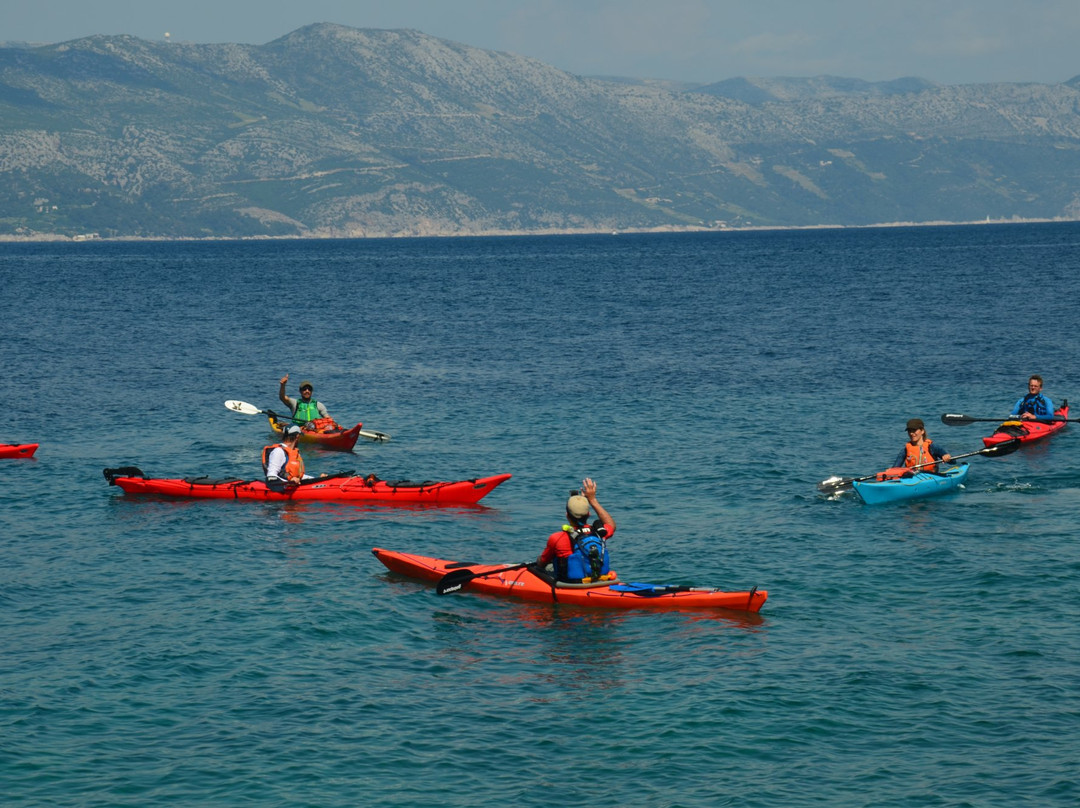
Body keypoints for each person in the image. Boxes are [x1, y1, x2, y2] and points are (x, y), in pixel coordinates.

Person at [536, 477, 617, 583]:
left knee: (541, 567)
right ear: (588, 514)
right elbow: (611, 525)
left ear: (567, 515)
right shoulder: (599, 533)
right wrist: (593, 500)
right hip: (600, 580)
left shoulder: (557, 538)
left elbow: (542, 563)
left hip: (571, 584)